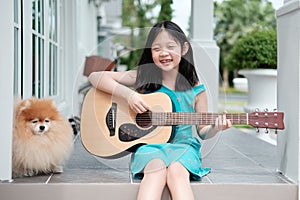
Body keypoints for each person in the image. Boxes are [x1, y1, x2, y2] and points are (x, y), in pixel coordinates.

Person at [88, 20, 232, 200]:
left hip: (184, 146)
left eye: (170, 46)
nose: (164, 53)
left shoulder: (196, 89)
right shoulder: (143, 77)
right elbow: (95, 77)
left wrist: (216, 127)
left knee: (177, 173)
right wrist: (129, 95)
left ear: (184, 48)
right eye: (156, 49)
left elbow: (202, 132)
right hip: (150, 145)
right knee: (155, 172)